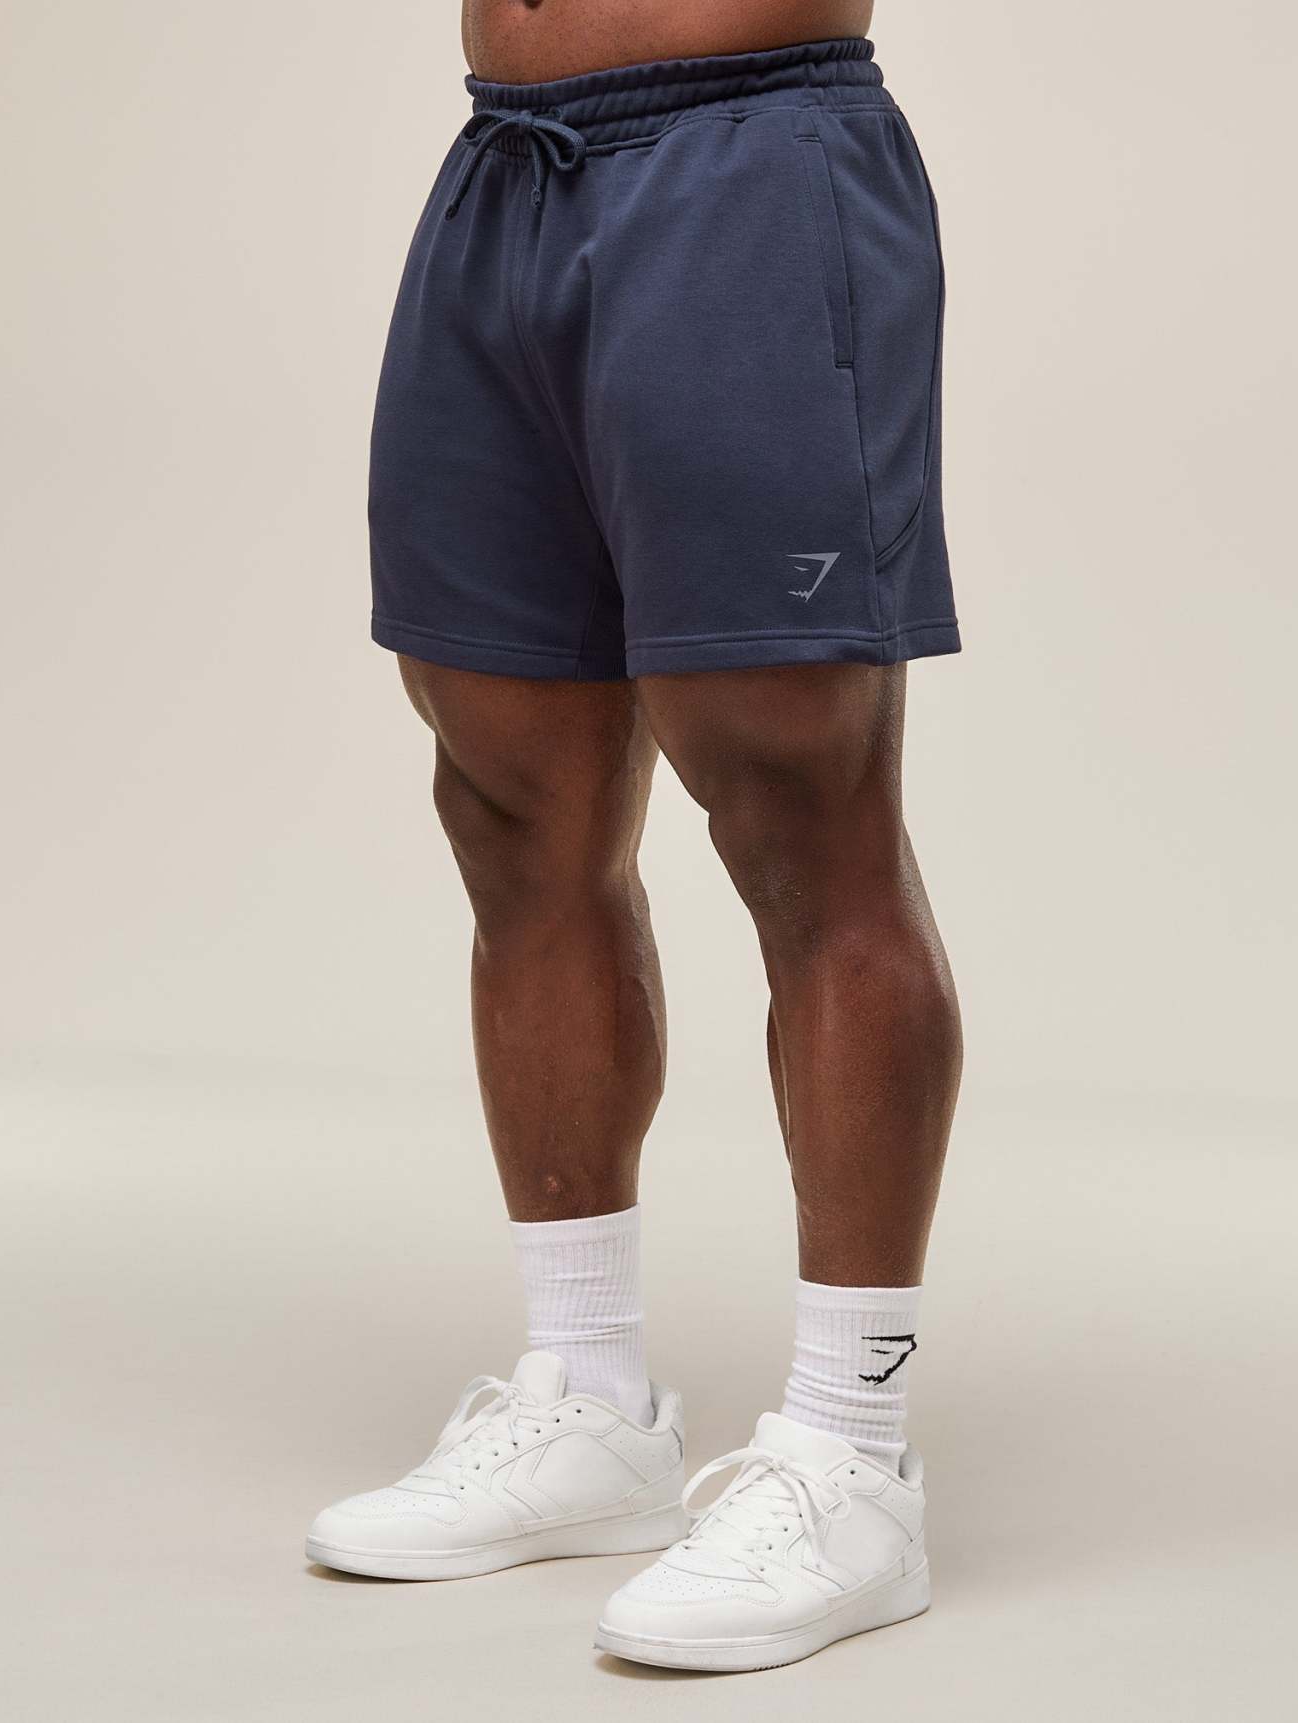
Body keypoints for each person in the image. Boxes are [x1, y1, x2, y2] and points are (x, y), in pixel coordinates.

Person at [307, 0, 962, 1671]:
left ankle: (852, 1460)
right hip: (502, 177)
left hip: (750, 163)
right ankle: (588, 1402)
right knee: (509, 802)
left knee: (803, 815)